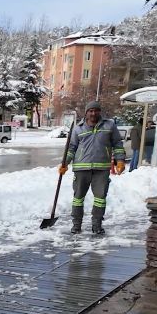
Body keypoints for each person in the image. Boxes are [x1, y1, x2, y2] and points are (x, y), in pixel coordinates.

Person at [58, 101, 126, 235]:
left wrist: (120, 161)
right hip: (81, 168)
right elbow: (71, 148)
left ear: (100, 111)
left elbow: (117, 144)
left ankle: (97, 225)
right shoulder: (78, 128)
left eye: (96, 110)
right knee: (78, 198)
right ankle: (76, 225)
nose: (93, 113)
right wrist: (64, 163)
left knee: (100, 198)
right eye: (90, 111)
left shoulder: (109, 125)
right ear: (86, 112)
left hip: (102, 169)